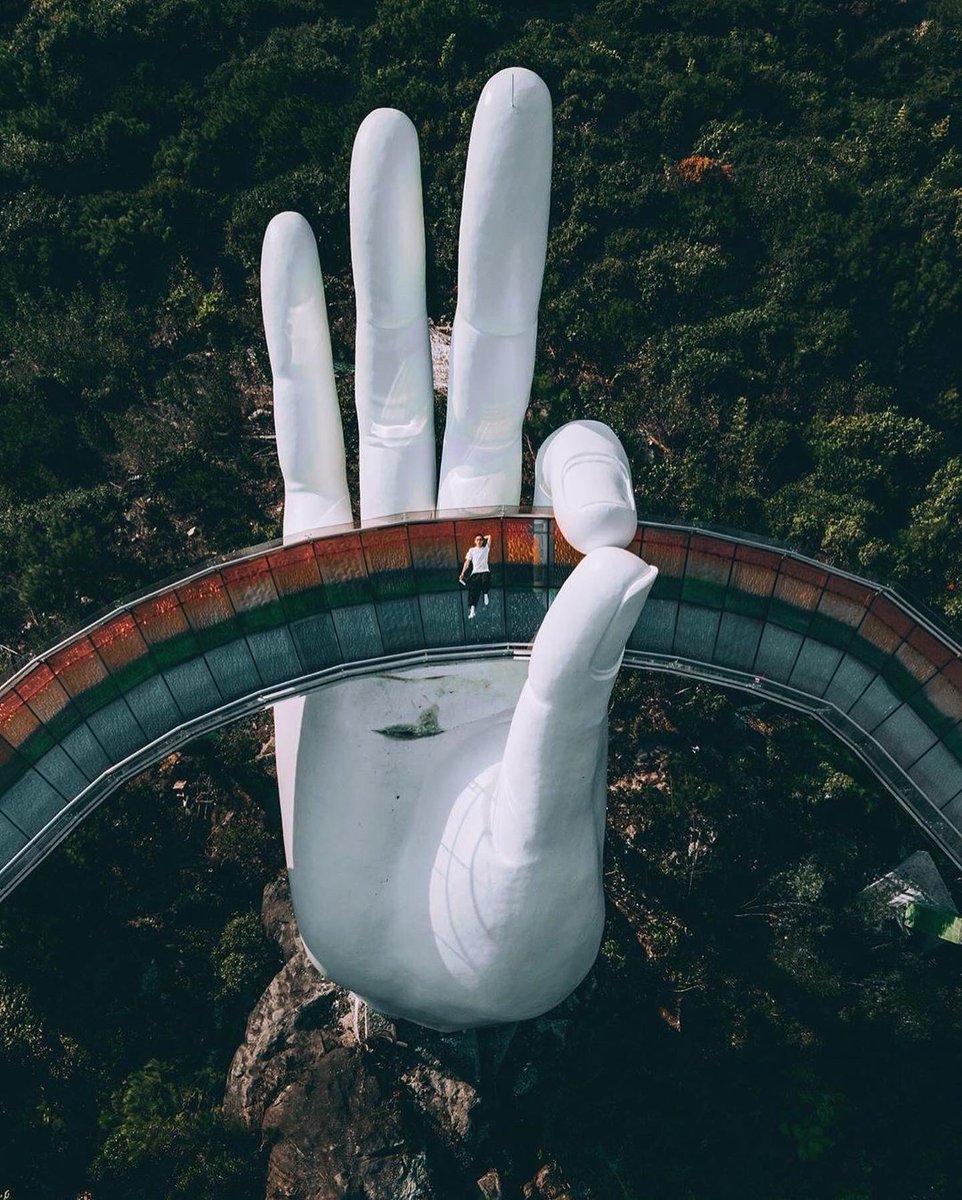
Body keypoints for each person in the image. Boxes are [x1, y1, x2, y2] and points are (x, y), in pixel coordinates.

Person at [459, 533, 491, 618]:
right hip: (475, 573)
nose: (479, 541)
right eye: (477, 540)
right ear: (475, 541)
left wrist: (483, 538)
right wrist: (462, 573)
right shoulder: (472, 550)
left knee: (485, 581)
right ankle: (472, 610)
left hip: (484, 571)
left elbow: (490, 536)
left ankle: (485, 594)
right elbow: (467, 562)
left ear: (482, 541)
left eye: (480, 540)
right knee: (473, 591)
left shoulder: (486, 548)